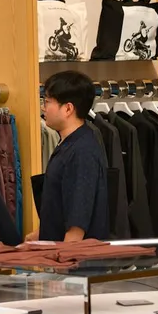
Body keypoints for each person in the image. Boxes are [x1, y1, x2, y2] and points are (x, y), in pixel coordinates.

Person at [35, 71, 109, 243]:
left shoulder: (82, 151)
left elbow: (76, 228)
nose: (43, 107)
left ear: (68, 108)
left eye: (47, 102)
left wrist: (64, 265)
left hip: (77, 265)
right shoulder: (69, 144)